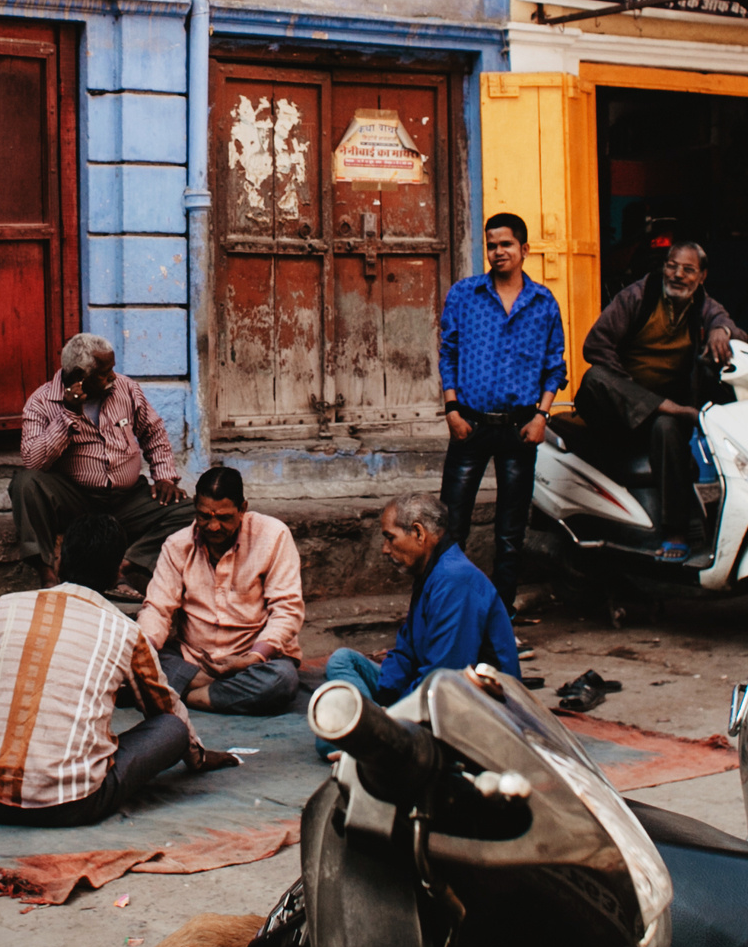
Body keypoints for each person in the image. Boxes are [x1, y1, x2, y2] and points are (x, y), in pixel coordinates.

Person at [0, 514, 238, 827]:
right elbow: (164, 708)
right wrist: (197, 755)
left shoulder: (4, 606)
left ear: (60, 561)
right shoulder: (127, 632)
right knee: (173, 729)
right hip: (71, 804)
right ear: (116, 572)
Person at [574, 241, 746, 563]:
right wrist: (629, 390)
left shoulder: (701, 305)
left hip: (657, 419)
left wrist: (721, 330)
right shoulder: (637, 296)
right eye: (671, 265)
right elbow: (595, 346)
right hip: (613, 409)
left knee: (668, 426)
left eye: (688, 269)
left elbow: (729, 326)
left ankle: (675, 532)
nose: (678, 274)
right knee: (594, 377)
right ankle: (667, 407)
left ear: (702, 276)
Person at [435, 213, 566, 608]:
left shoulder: (543, 303)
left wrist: (542, 416)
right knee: (451, 525)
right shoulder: (465, 294)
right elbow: (448, 352)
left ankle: (501, 613)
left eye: (506, 244)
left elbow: (554, 365)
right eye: (491, 245)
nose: (498, 252)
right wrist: (452, 410)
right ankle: (447, 610)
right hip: (469, 425)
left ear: (524, 249)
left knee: (510, 532)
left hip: (521, 429)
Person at [12, 332, 187, 593]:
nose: (113, 377)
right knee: (25, 484)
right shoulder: (41, 402)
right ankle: (48, 574)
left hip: (126, 499)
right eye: (105, 373)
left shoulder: (126, 389)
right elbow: (34, 461)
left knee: (187, 510)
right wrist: (67, 416)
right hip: (77, 501)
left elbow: (153, 431)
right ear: (80, 377)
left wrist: (163, 476)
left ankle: (123, 567)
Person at [321, 494, 520, 713]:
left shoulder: (455, 580)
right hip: (430, 688)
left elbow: (445, 678)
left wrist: (397, 713)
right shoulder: (431, 573)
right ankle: (371, 722)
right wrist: (387, 695)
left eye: (390, 538)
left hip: (477, 708)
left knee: (333, 734)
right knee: (342, 661)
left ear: (418, 533)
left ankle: (373, 727)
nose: (385, 549)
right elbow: (407, 652)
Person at [137, 466, 305, 716]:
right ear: (195, 506)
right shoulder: (176, 545)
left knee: (281, 680)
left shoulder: (273, 536)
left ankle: (187, 696)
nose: (213, 526)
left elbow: (287, 610)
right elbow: (158, 609)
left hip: (252, 661)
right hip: (192, 658)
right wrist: (144, 652)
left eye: (224, 518)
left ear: (243, 509)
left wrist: (251, 659)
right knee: (139, 661)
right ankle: (224, 691)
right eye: (205, 516)